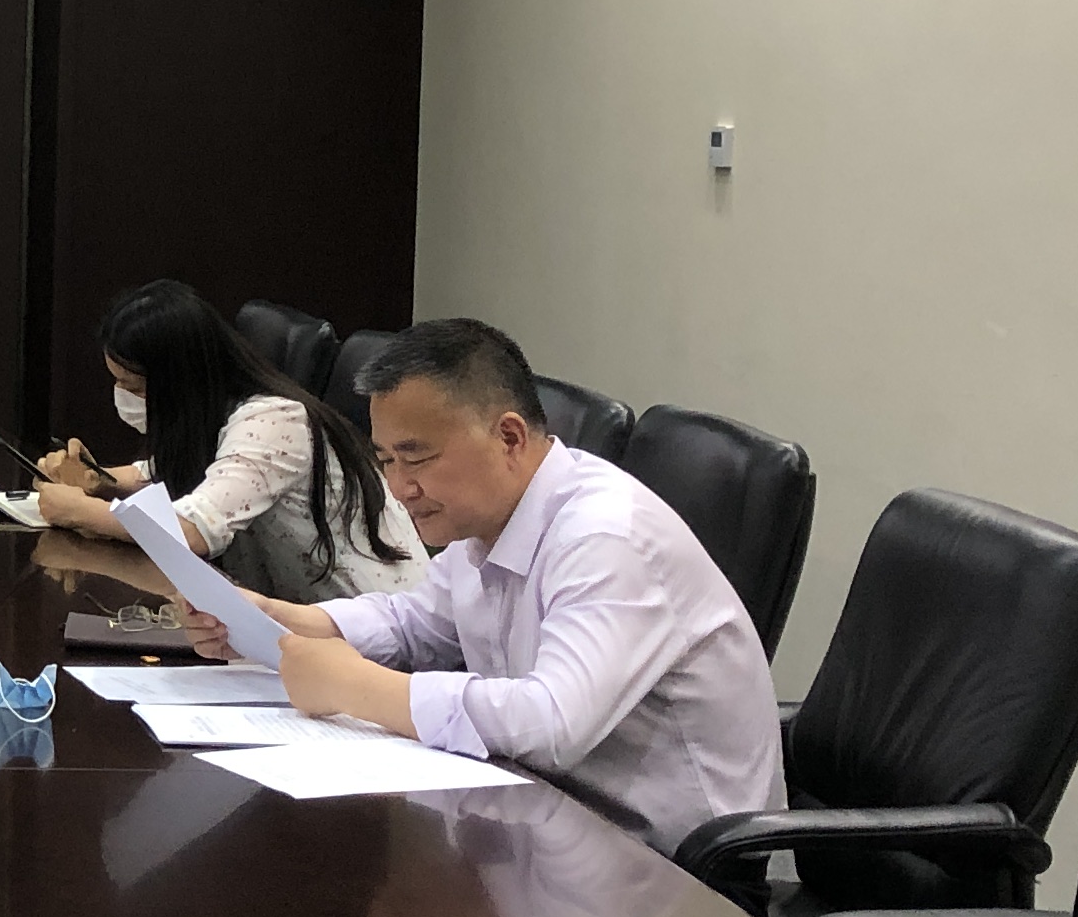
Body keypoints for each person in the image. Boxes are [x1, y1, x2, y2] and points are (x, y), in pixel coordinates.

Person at [195, 317, 781, 855]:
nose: (399, 488)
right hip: (549, 822)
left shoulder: (606, 537)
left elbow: (552, 724)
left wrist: (357, 687)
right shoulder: (488, 520)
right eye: (386, 460)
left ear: (509, 438)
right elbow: (412, 623)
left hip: (678, 869)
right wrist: (277, 620)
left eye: (416, 458)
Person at [37, 280, 422, 602]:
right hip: (309, 621)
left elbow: (194, 531)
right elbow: (158, 473)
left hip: (382, 628)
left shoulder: (275, 421)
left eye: (134, 387)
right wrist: (96, 478)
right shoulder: (215, 417)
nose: (123, 397)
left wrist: (79, 511)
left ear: (180, 381)